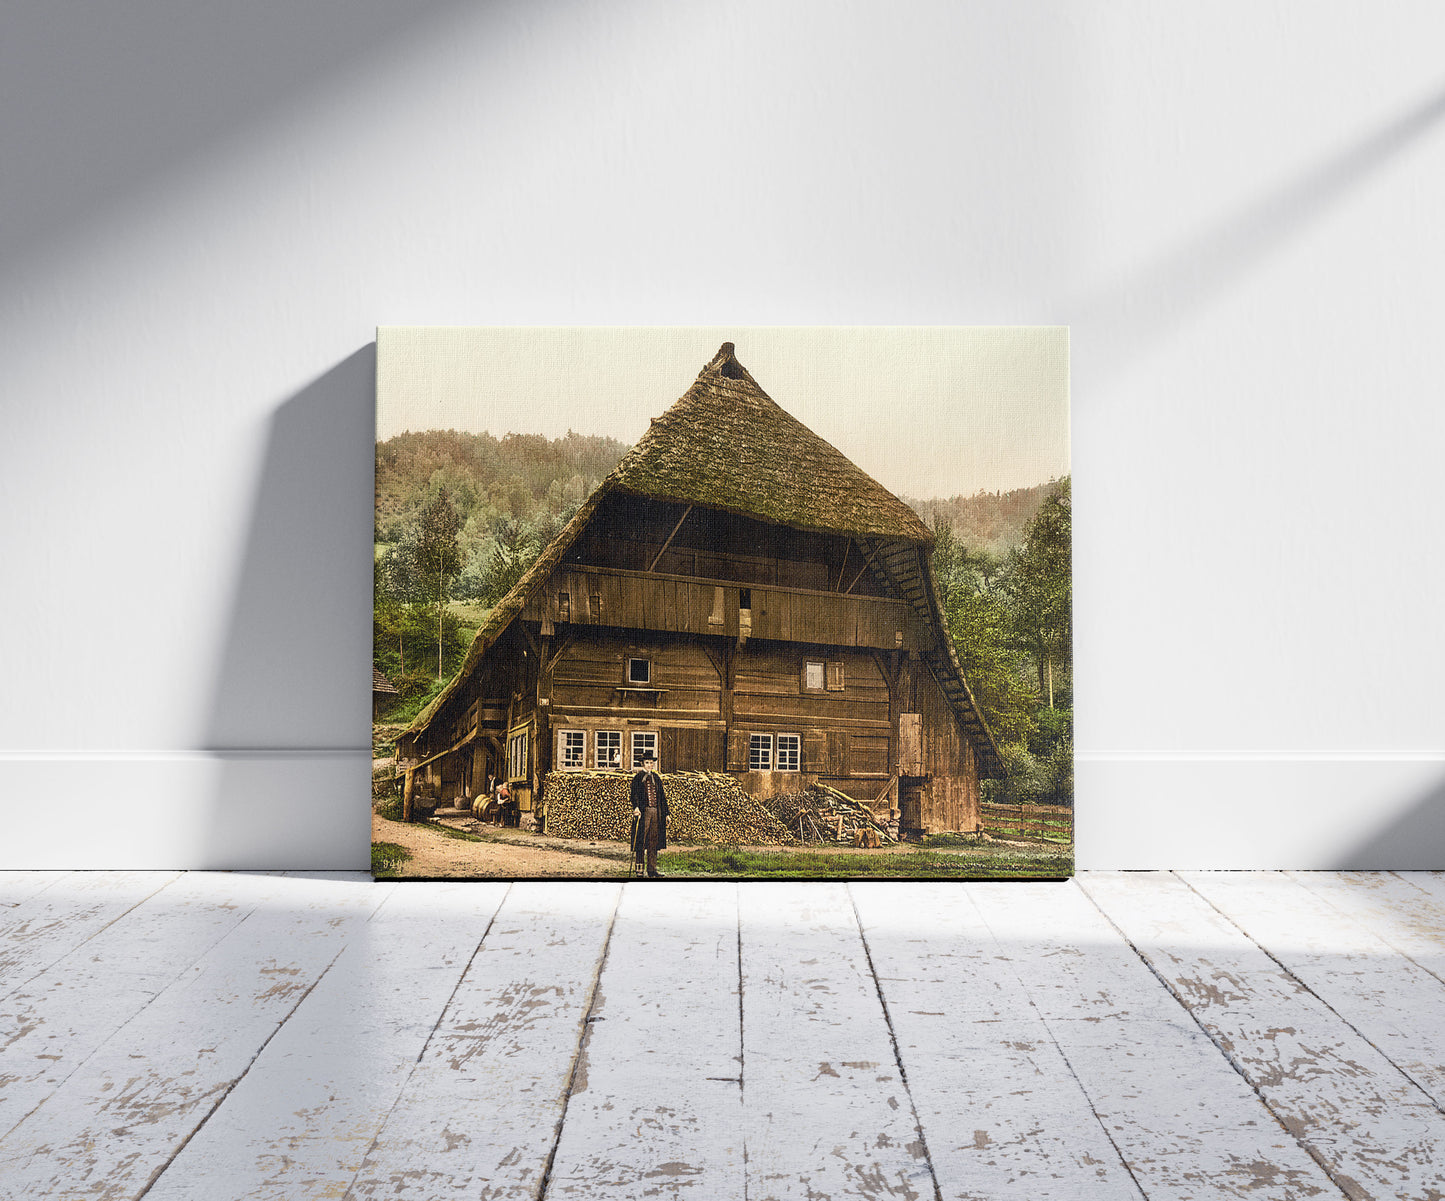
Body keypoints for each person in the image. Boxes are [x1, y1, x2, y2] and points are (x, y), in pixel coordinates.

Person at [629, 752, 668, 878]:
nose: (650, 765)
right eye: (647, 763)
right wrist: (636, 807)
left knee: (653, 841)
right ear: (642, 764)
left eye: (651, 763)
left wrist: (667, 814)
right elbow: (633, 794)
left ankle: (652, 870)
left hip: (656, 812)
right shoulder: (638, 778)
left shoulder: (656, 778)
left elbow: (662, 797)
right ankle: (639, 870)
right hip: (643, 812)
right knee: (641, 840)